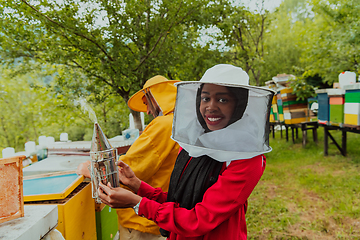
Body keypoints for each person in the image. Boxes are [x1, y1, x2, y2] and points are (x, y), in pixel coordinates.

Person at [98, 64, 276, 240]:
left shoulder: (246, 158)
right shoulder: (194, 145)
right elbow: (182, 199)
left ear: (240, 104)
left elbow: (199, 219)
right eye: (205, 98)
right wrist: (138, 185)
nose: (211, 106)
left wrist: (137, 203)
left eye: (223, 100)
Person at [77, 75, 180, 240]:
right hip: (163, 214)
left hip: (142, 223)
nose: (147, 111)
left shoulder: (163, 125)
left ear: (157, 97)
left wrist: (89, 170)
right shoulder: (180, 123)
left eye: (147, 103)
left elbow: (128, 171)